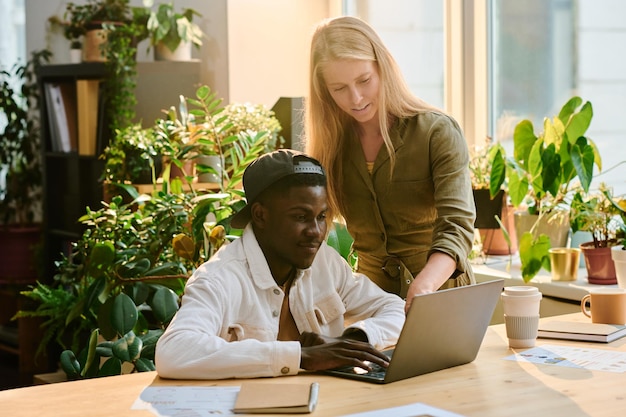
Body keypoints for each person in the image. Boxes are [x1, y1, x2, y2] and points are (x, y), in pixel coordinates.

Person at [155, 149, 405, 380]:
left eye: (321, 217)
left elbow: (396, 309)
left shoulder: (325, 263)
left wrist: (352, 340)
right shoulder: (219, 278)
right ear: (260, 215)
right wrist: (302, 357)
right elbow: (173, 351)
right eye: (300, 217)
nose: (316, 232)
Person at [305, 16, 476, 312]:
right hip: (371, 303)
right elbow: (309, 227)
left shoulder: (436, 132)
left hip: (442, 297)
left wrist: (423, 285)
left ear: (383, 68)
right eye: (339, 88)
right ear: (324, 91)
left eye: (364, 81)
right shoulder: (331, 148)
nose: (355, 98)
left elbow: (457, 227)